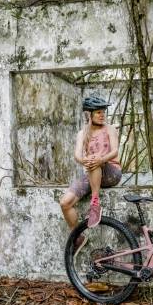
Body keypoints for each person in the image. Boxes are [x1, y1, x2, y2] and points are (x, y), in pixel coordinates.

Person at [59, 96, 122, 253]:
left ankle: (95, 204)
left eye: (103, 112)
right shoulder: (82, 133)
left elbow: (115, 151)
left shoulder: (110, 129)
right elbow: (77, 155)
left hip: (111, 172)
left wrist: (100, 159)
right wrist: (84, 161)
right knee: (65, 203)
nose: (102, 115)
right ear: (89, 115)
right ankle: (78, 237)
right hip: (92, 172)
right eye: (98, 112)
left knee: (95, 161)